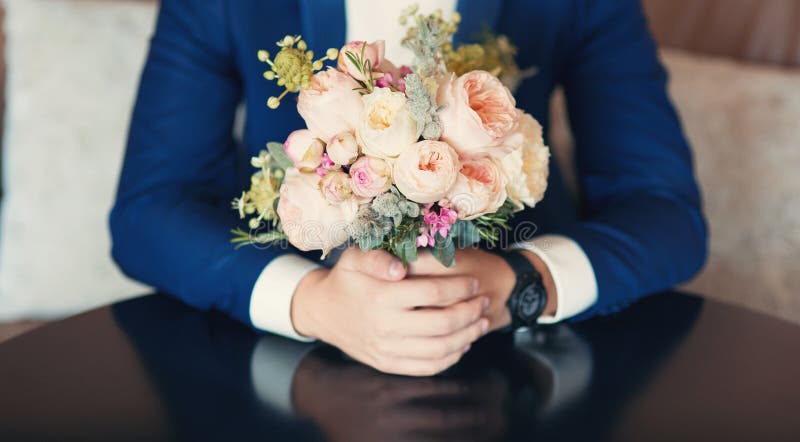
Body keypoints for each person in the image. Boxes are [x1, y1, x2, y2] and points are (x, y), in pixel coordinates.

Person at [110, 0, 707, 376]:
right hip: (282, 360)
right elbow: (149, 209)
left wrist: (518, 285)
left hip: (522, 363)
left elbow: (666, 211)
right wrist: (310, 300)